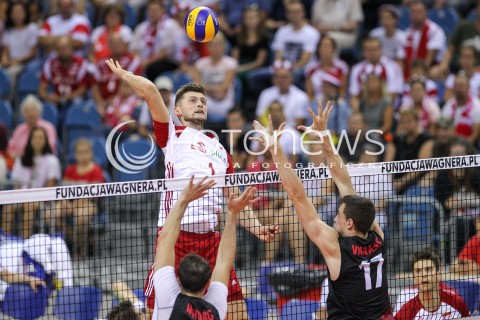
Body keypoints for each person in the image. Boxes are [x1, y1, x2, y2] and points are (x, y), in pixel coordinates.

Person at [105, 59, 278, 319]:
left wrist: (257, 228)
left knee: (238, 314)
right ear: (178, 110)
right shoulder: (172, 136)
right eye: (193, 100)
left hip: (211, 241)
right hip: (175, 240)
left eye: (203, 101)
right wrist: (124, 75)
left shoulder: (220, 150)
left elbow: (234, 202)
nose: (200, 103)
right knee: (158, 313)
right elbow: (151, 92)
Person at [250, 101, 391, 318]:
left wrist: (275, 150)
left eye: (339, 214)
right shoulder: (378, 237)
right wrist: (325, 136)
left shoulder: (336, 247)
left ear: (350, 222)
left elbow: (298, 196)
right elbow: (343, 181)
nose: (335, 217)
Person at [152, 177, 258, 319]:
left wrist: (184, 199)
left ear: (177, 280)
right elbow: (223, 262)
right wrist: (233, 213)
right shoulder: (215, 309)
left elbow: (165, 240)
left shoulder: (168, 300)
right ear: (208, 283)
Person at [2, 127, 61, 239]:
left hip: (43, 200)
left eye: (41, 138)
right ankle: (6, 241)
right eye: (34, 137)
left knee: (29, 205)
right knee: (8, 206)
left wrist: (33, 198)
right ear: (30, 140)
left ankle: (25, 243)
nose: (37, 140)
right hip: (21, 198)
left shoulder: (52, 160)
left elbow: (50, 187)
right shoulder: (21, 160)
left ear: (45, 140)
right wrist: (18, 198)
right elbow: (16, 185)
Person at [54, 138, 105, 258]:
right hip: (69, 202)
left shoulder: (96, 170)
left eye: (85, 152)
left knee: (81, 216)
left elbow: (92, 194)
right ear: (75, 154)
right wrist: (65, 203)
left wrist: (75, 205)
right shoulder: (70, 170)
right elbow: (63, 191)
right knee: (52, 214)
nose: (83, 155)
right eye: (79, 152)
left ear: (91, 153)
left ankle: (80, 250)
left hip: (89, 203)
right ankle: (79, 240)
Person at [394, 250, 470, 319]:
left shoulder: (457, 303)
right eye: (418, 271)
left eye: (428, 269)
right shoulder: (405, 313)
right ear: (414, 278)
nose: (423, 275)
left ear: (438, 274)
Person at [7, 95, 57, 159]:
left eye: (33, 110)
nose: (30, 113)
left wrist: (25, 154)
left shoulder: (48, 128)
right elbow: (10, 149)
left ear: (39, 112)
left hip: (43, 161)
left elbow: (50, 148)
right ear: (23, 114)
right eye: (27, 110)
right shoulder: (19, 129)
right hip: (20, 163)